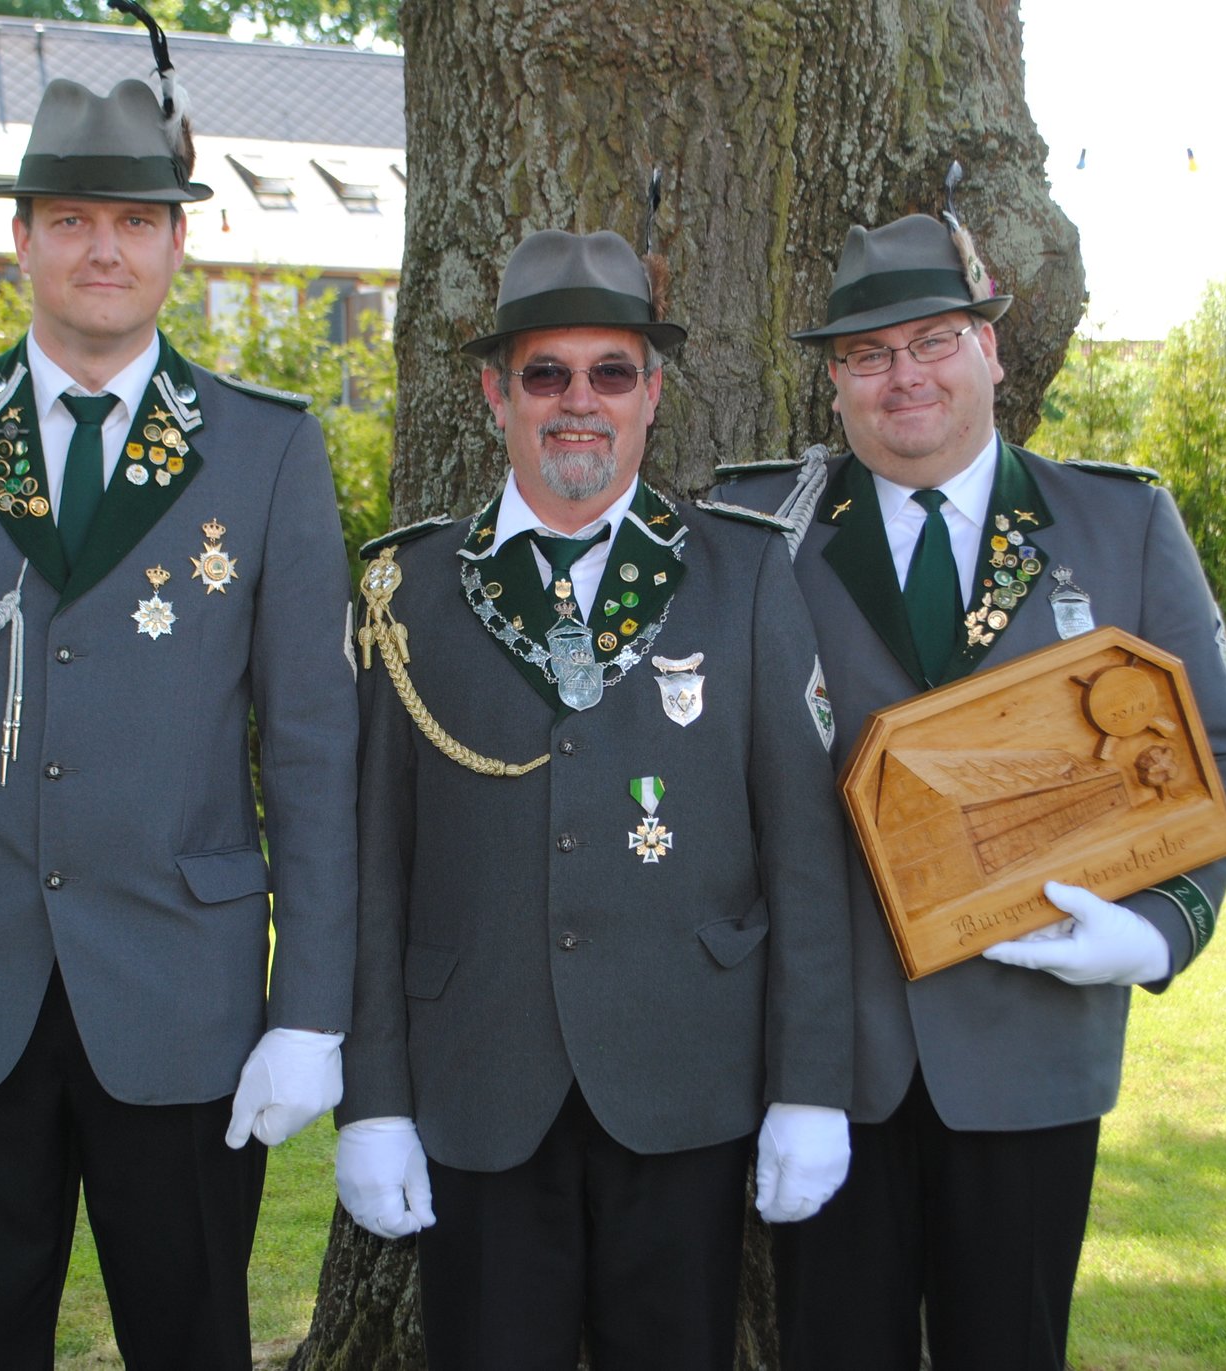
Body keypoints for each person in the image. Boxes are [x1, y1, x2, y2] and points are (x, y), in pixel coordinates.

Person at [0, 57, 357, 1370]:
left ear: (178, 242)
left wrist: (311, 1006)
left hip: (184, 994)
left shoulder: (262, 448)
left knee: (193, 1338)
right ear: (22, 235)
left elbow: (315, 751)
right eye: (76, 220)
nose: (107, 249)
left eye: (137, 220)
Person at [717, 211, 1226, 1370]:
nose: (899, 376)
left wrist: (1159, 931)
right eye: (864, 356)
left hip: (1030, 1046)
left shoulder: (1116, 523)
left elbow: (1216, 754)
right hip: (826, 1059)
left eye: (930, 341)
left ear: (991, 352)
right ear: (832, 384)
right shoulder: (759, 531)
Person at [335, 227, 854, 1371]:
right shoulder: (404, 590)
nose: (579, 403)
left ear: (652, 393)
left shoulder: (742, 575)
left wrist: (811, 1087)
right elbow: (369, 867)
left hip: (687, 1074)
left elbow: (806, 858)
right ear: (492, 392)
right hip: (477, 1078)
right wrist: (368, 1098)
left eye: (610, 373)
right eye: (545, 374)